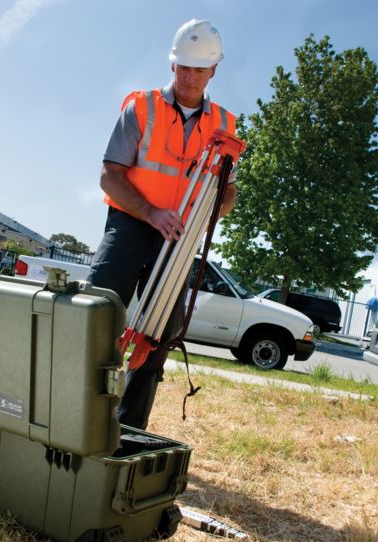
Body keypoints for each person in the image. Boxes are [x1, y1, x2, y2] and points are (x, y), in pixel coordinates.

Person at [88, 19, 238, 430]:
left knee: (155, 340)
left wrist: (207, 215)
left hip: (176, 241)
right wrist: (152, 212)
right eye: (184, 67)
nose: (190, 77)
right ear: (173, 65)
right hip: (131, 223)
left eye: (199, 69)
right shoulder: (142, 106)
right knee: (94, 312)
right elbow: (109, 174)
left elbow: (227, 193)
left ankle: (127, 430)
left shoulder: (225, 126)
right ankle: (76, 414)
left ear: (213, 72)